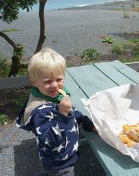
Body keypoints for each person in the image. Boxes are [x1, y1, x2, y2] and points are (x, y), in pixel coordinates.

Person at [16, 47, 96, 176]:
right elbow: (50, 140)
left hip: (66, 152)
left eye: (59, 79)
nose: (54, 85)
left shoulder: (54, 96)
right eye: (47, 81)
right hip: (58, 161)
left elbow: (72, 112)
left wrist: (86, 122)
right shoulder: (39, 111)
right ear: (34, 82)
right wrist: (62, 114)